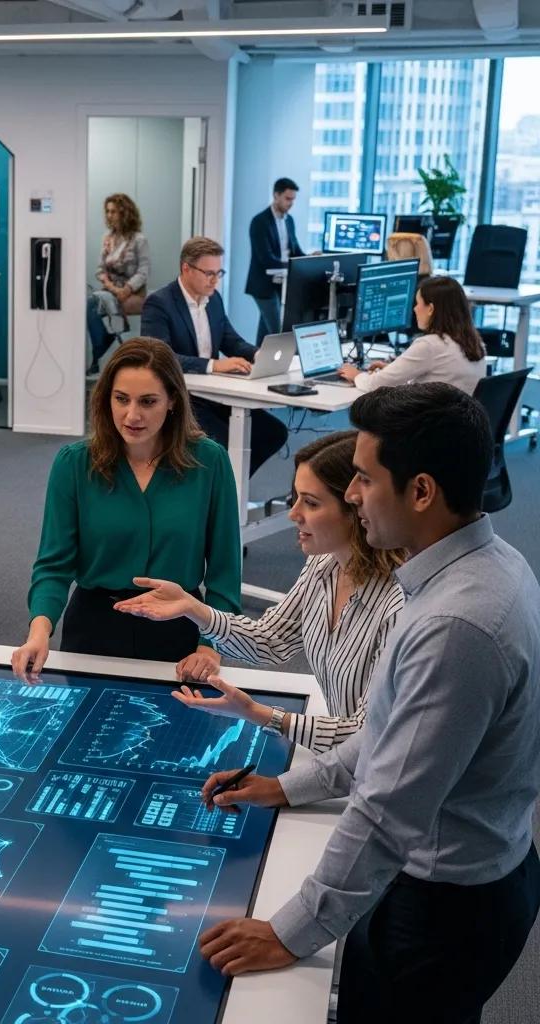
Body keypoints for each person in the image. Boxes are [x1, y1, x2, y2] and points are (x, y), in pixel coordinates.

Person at [195, 383, 540, 1024]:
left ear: (421, 492)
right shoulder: (481, 568)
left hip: (445, 907)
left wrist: (290, 931)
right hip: (467, 876)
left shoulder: (455, 623)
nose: (352, 496)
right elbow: (387, 732)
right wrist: (289, 787)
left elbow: (389, 809)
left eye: (363, 479)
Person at [114, 430, 405, 752]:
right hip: (348, 762)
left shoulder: (400, 606)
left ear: (356, 508)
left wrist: (261, 715)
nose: (293, 514)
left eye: (310, 502)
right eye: (295, 498)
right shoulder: (325, 565)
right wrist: (193, 608)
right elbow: (270, 641)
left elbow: (371, 736)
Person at [11, 337, 240, 682]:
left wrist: (209, 646)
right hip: (94, 624)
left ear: (173, 401)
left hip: (180, 626)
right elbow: (53, 564)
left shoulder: (209, 461)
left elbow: (225, 570)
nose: (132, 415)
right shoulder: (74, 464)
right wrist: (39, 632)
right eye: (121, 399)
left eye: (148, 402)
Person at [141, 236, 288, 476]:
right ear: (186, 269)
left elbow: (231, 340)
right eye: (208, 273)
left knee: (273, 433)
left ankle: (228, 489)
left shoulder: (213, 299)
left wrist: (257, 353)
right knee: (222, 444)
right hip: (181, 398)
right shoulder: (159, 304)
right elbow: (159, 357)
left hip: (213, 394)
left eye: (219, 273)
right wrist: (214, 365)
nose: (215, 281)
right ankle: (222, 491)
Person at [338, 275, 486, 394]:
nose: (414, 309)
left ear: (430, 309)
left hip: (426, 425)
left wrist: (356, 375)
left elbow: (374, 385)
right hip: (457, 425)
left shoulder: (430, 345)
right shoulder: (474, 342)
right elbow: (436, 378)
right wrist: (394, 370)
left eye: (417, 303)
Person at [87, 193, 151, 373]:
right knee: (91, 303)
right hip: (110, 290)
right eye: (107, 211)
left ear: (125, 213)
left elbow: (143, 272)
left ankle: (98, 352)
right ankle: (103, 344)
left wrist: (127, 288)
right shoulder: (107, 238)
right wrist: (111, 287)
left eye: (113, 211)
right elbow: (100, 270)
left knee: (94, 303)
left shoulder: (139, 239)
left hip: (133, 294)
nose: (109, 215)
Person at [245, 177, 305, 346]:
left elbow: (295, 251)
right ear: (276, 195)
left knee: (266, 330)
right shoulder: (259, 222)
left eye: (293, 199)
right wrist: (293, 265)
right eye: (287, 199)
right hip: (263, 285)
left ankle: (256, 359)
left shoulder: (289, 221)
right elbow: (266, 259)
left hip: (282, 283)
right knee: (277, 331)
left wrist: (310, 258)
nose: (291, 203)